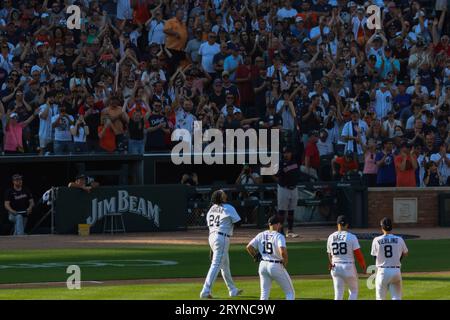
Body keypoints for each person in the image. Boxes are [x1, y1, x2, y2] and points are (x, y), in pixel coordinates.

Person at [200, 190, 243, 299]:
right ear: (220, 197)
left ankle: (232, 290)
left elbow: (211, 227)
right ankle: (205, 291)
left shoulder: (211, 209)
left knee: (225, 265)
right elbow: (239, 223)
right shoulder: (228, 207)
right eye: (223, 193)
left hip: (212, 237)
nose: (225, 194)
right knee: (216, 265)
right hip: (222, 238)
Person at [246, 215, 295, 300]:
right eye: (280, 224)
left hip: (263, 265)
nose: (280, 226)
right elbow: (282, 251)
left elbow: (249, 247)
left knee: (264, 294)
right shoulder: (279, 236)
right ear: (277, 224)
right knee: (290, 293)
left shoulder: (261, 234)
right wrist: (285, 261)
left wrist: (255, 255)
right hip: (275, 265)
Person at [327, 215, 366, 300]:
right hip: (349, 267)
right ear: (347, 225)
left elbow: (329, 254)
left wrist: (330, 263)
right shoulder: (351, 237)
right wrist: (363, 265)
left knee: (338, 294)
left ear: (337, 225)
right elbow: (358, 254)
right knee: (353, 291)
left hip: (335, 266)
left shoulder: (331, 237)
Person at [371, 217, 409, 300]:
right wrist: (397, 259)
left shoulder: (376, 240)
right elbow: (405, 253)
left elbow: (374, 256)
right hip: (396, 271)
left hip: (382, 272)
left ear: (382, 227)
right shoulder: (399, 239)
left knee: (380, 298)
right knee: (396, 297)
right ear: (392, 227)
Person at [275, 147, 299, 238]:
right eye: (285, 153)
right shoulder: (281, 163)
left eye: (288, 152)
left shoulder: (295, 162)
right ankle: (280, 230)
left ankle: (290, 230)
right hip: (283, 188)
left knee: (291, 210)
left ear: (291, 153)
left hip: (294, 188)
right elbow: (275, 174)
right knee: (281, 211)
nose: (286, 154)